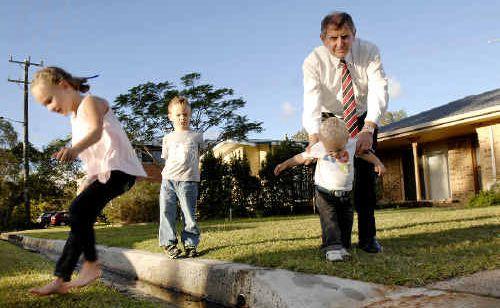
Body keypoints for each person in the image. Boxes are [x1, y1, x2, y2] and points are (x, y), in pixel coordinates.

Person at [28, 66, 147, 296]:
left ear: (64, 85)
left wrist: (74, 149)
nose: (50, 108)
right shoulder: (74, 119)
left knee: (77, 211)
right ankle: (60, 279)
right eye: (45, 105)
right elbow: (96, 154)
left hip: (120, 170)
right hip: (108, 172)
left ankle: (91, 265)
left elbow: (96, 132)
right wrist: (87, 179)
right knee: (78, 221)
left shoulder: (90, 103)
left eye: (49, 100)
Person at [302, 11, 389, 253]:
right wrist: (313, 137)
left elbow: (379, 89)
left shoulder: (369, 52)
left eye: (345, 37)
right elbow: (311, 100)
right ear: (323, 38)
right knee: (329, 180)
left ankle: (368, 238)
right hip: (330, 121)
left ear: (354, 34)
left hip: (362, 117)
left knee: (364, 178)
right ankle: (334, 240)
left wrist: (369, 128)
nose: (339, 44)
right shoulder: (313, 62)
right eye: (333, 38)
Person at [274, 117, 385, 261]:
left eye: (340, 149)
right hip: (324, 193)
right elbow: (300, 158)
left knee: (346, 220)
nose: (337, 153)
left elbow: (366, 154)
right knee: (330, 221)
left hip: (345, 193)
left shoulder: (352, 144)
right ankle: (332, 248)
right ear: (323, 143)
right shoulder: (319, 147)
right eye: (332, 151)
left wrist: (378, 163)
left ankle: (343, 247)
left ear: (347, 139)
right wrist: (284, 165)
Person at [159, 96, 203, 259]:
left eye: (185, 114)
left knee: (189, 214)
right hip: (168, 180)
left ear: (190, 115)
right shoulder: (167, 138)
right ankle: (169, 243)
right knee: (166, 212)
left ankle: (191, 244)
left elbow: (199, 155)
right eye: (178, 115)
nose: (182, 118)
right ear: (170, 116)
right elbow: (167, 159)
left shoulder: (197, 136)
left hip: (189, 181)